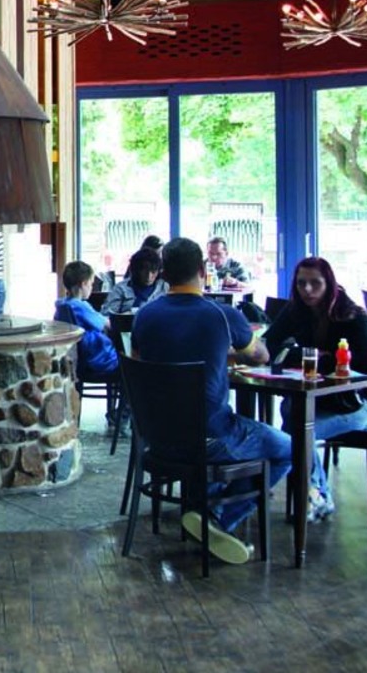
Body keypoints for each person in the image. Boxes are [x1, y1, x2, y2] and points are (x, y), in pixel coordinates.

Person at [131, 238, 291, 565]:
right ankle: (216, 516)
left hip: (158, 440)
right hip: (211, 440)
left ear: (163, 273)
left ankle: (202, 509)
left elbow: (140, 362)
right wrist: (229, 353)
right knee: (289, 447)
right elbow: (261, 356)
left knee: (215, 429)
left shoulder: (144, 316)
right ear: (203, 270)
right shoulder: (222, 314)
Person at [261, 257, 367, 522]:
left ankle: (315, 495)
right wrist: (311, 355)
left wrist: (309, 358)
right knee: (294, 420)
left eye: (315, 283)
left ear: (329, 283)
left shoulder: (352, 316)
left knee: (296, 434)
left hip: (358, 405)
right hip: (315, 402)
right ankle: (315, 494)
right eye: (301, 283)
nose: (307, 290)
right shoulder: (296, 310)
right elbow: (269, 345)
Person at [54, 261, 121, 429]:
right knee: (133, 369)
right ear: (83, 284)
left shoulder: (62, 305)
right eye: (91, 284)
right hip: (98, 361)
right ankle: (120, 417)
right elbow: (106, 324)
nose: (91, 288)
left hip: (79, 362)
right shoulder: (81, 306)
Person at [101, 247, 165, 314]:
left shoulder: (164, 287)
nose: (149, 276)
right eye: (144, 271)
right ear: (136, 270)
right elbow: (106, 315)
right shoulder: (120, 289)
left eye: (153, 272)